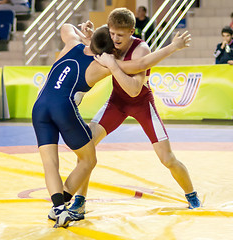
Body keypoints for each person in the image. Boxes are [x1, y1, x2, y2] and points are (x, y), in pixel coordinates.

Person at [32, 22, 191, 228]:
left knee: (50, 164)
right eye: (113, 36)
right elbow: (140, 65)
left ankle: (59, 209)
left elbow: (65, 26)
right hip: (64, 108)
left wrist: (84, 36)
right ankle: (70, 202)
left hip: (39, 107)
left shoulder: (72, 43)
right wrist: (173, 47)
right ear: (110, 51)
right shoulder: (102, 65)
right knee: (88, 159)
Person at [68, 8, 200, 216]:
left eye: (120, 35)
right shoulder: (111, 39)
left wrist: (112, 66)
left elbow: (133, 89)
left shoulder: (141, 49)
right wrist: (91, 37)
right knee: (87, 145)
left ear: (132, 31)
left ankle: (191, 194)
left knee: (167, 159)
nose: (115, 39)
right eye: (111, 34)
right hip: (117, 102)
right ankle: (80, 200)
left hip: (141, 103)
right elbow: (96, 49)